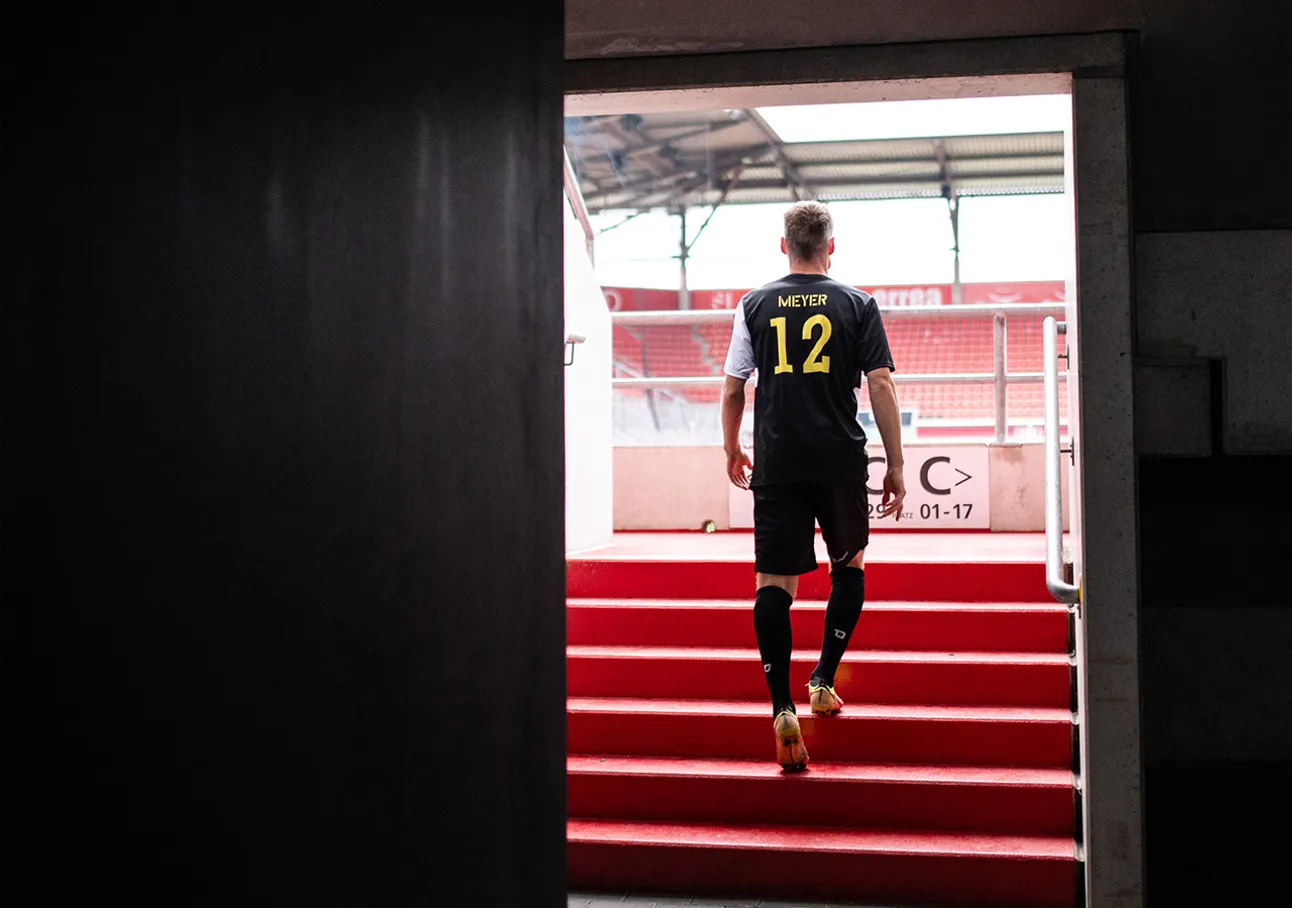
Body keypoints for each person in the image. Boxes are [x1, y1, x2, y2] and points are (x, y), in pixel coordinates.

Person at [721, 200, 906, 772]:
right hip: (838, 459)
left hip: (778, 459)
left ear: (784, 246)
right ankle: (822, 681)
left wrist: (732, 447)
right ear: (832, 245)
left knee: (773, 584)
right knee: (849, 567)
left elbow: (732, 390)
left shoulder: (753, 304)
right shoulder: (858, 303)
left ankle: (781, 708)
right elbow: (879, 385)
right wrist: (896, 463)